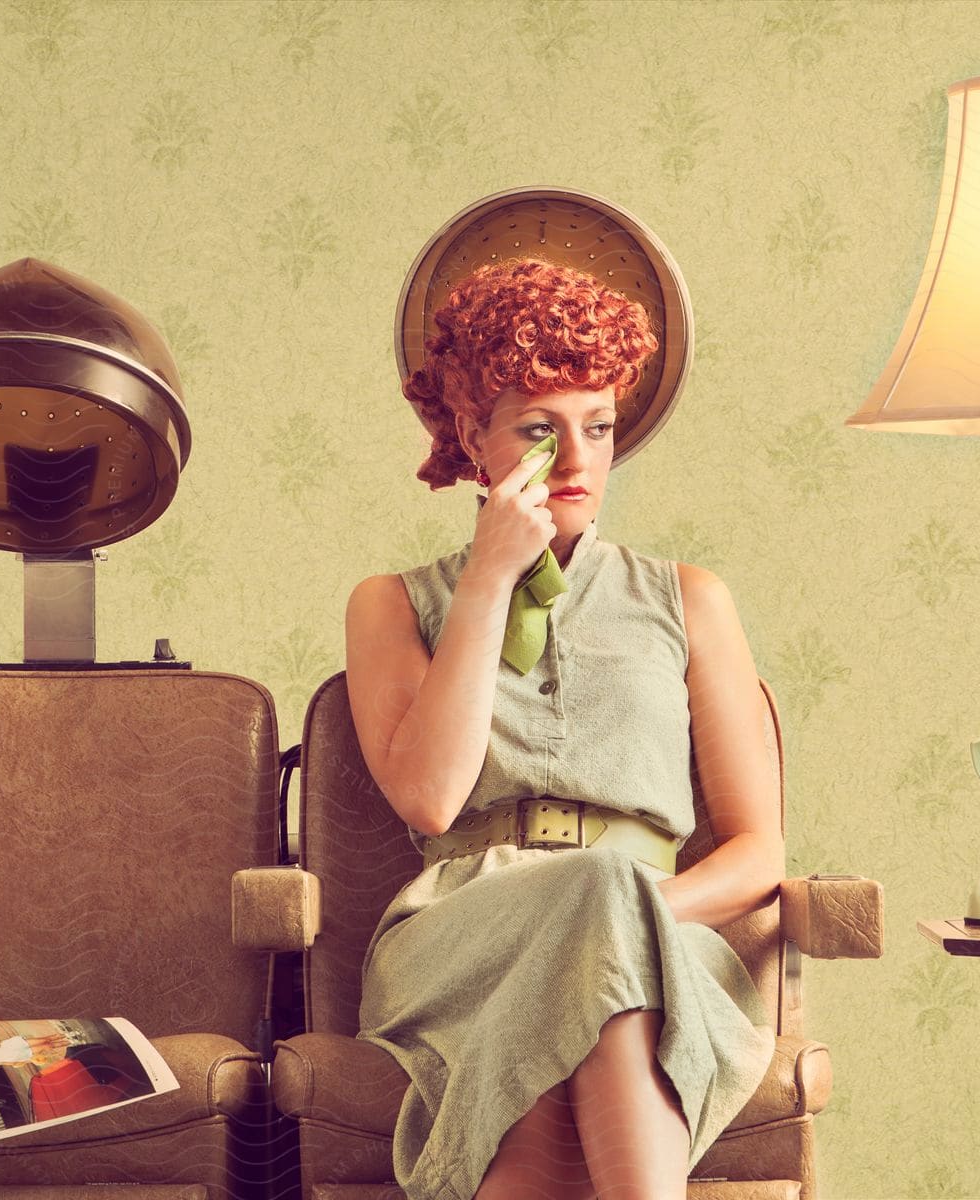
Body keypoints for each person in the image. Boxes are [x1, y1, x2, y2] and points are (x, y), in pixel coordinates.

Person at [345, 257, 785, 1199]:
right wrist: (487, 583)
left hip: (657, 932)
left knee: (598, 931)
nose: (580, 461)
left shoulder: (691, 600)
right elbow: (428, 797)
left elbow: (759, 852)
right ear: (475, 436)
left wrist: (620, 916)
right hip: (459, 934)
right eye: (541, 432)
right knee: (592, 924)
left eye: (599, 428)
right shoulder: (392, 604)